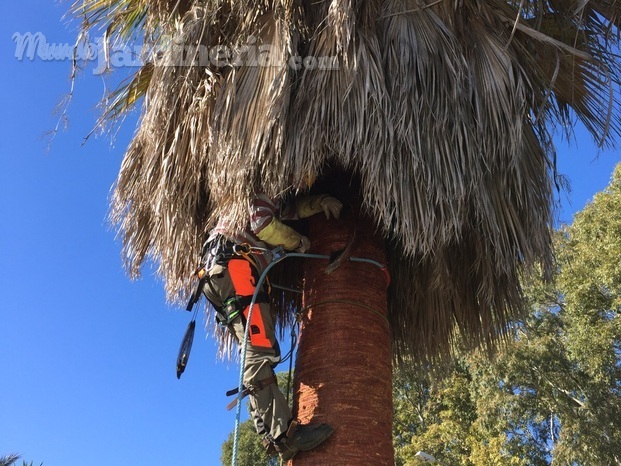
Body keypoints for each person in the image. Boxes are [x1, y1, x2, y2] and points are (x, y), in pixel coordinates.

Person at [200, 192, 343, 461]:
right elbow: (263, 224)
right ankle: (284, 436)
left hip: (217, 275)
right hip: (235, 269)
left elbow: (293, 210)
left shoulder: (268, 201)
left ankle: (268, 434)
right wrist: (297, 241)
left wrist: (322, 201)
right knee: (258, 348)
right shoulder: (264, 189)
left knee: (253, 351)